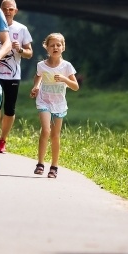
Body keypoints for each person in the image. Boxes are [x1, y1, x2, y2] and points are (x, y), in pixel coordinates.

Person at [29, 33, 79, 179]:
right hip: (44, 100)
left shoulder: (67, 66)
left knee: (55, 135)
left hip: (59, 104)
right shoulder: (41, 65)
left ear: (63, 47)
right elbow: (38, 76)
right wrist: (36, 87)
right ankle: (40, 163)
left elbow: (75, 86)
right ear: (47, 48)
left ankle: (54, 166)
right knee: (46, 130)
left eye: (58, 45)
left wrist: (64, 79)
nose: (55, 47)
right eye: (52, 45)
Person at [0, 0, 33, 153]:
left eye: (10, 9)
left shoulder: (21, 29)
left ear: (15, 11)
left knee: (10, 109)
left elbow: (30, 53)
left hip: (13, 76)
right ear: (0, 10)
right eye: (4, 9)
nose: (7, 12)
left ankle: (3, 140)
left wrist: (20, 50)